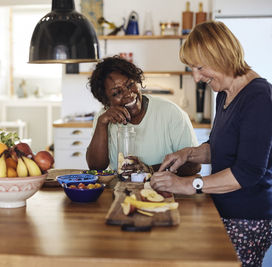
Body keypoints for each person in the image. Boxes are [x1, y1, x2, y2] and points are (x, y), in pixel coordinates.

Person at [150, 21, 272, 266]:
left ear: (222, 56)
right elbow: (221, 147)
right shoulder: (224, 94)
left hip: (248, 216)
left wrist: (187, 184)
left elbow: (247, 173)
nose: (196, 77)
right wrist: (188, 154)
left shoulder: (259, 97)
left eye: (199, 67)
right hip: (224, 208)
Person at [86, 56, 200, 176]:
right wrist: (101, 124)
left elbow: (194, 165)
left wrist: (149, 169)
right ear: (106, 102)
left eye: (130, 85)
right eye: (117, 92)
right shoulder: (104, 118)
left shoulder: (171, 113)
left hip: (165, 191)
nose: (129, 94)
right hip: (120, 191)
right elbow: (96, 167)